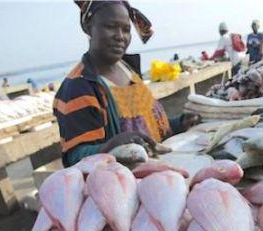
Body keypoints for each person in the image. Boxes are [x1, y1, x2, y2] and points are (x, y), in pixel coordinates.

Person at [54, 1, 201, 167]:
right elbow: (76, 157)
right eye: (110, 26)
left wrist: (179, 124)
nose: (120, 36)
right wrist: (111, 146)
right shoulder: (80, 87)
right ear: (88, 27)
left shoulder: (128, 69)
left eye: (126, 29)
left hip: (162, 169)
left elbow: (146, 126)